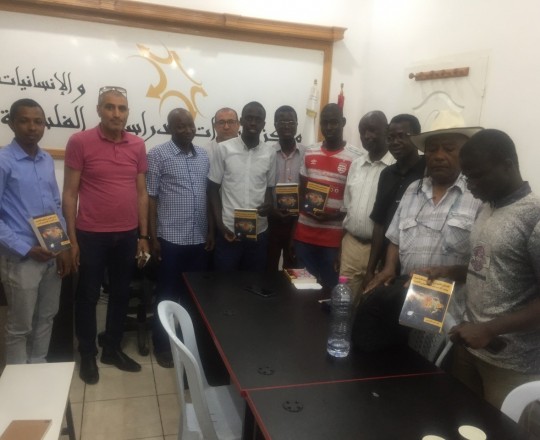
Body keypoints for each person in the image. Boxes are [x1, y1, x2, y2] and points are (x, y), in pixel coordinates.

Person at [427, 129, 540, 409]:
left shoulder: (534, 217)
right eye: (467, 177)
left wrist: (490, 329)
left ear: (507, 165)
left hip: (511, 365)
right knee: (460, 420)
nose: (471, 186)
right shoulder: (486, 208)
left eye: (477, 176)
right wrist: (448, 272)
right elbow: (488, 267)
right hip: (469, 347)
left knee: (502, 429)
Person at [354, 124, 483, 351]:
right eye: (432, 150)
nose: (439, 156)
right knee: (400, 362)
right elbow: (395, 238)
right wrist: (389, 267)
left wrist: (446, 272)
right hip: (407, 301)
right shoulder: (413, 189)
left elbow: (483, 267)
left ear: (464, 153)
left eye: (449, 149)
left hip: (452, 314)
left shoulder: (478, 196)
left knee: (435, 369)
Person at [63, 86, 149, 384]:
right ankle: (88, 353)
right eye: (110, 107)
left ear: (128, 112)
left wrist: (143, 235)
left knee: (121, 294)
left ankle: (112, 348)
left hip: (126, 235)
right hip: (90, 235)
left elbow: (141, 193)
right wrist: (72, 240)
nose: (116, 113)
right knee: (87, 296)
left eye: (122, 108)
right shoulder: (80, 141)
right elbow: (70, 193)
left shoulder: (137, 144)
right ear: (99, 110)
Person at [0, 98, 71, 364]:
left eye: (38, 122)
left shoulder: (45, 159)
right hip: (22, 259)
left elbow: (55, 205)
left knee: (46, 318)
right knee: (20, 328)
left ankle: (38, 369)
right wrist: (26, 249)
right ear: (11, 123)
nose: (32, 127)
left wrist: (62, 247)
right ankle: (19, 383)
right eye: (24, 121)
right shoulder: (3, 161)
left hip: (51, 254)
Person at [146, 108, 212, 368]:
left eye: (190, 125)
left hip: (198, 239)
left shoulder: (203, 156)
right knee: (167, 296)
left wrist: (211, 230)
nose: (187, 130)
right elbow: (151, 197)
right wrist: (152, 237)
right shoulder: (158, 154)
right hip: (170, 239)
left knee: (194, 297)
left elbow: (208, 195)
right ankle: (162, 345)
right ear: (169, 128)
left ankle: (189, 344)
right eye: (180, 126)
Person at [293, 103, 362, 290]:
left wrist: (333, 216)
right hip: (304, 236)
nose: (329, 127)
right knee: (304, 290)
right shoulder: (310, 151)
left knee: (331, 292)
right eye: (324, 123)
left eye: (334, 122)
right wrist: (306, 207)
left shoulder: (357, 157)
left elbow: (356, 202)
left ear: (343, 122)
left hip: (334, 240)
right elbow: (302, 190)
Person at [208, 101, 276, 271]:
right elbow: (212, 189)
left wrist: (268, 204)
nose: (253, 123)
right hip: (229, 231)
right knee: (225, 283)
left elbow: (269, 188)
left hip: (258, 232)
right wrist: (220, 226)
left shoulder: (270, 153)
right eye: (249, 118)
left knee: (253, 282)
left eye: (258, 119)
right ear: (242, 121)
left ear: (264, 124)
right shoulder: (223, 149)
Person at [364, 114, 425, 290]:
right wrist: (370, 270)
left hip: (416, 264)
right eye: (390, 138)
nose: (395, 142)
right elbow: (379, 223)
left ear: (416, 137)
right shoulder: (386, 174)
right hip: (387, 263)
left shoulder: (428, 170)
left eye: (401, 136)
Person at [339, 111, 395, 300]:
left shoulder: (396, 167)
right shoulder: (356, 165)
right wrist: (341, 249)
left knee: (371, 307)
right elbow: (347, 209)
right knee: (344, 304)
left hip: (381, 252)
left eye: (372, 130)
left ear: (386, 130)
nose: (367, 136)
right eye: (362, 131)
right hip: (352, 245)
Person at [267, 105, 305, 271]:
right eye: (282, 122)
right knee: (268, 268)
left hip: (298, 221)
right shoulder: (267, 153)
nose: (286, 126)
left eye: (291, 122)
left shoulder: (307, 153)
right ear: (275, 125)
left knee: (293, 269)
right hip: (272, 220)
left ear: (297, 124)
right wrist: (272, 209)